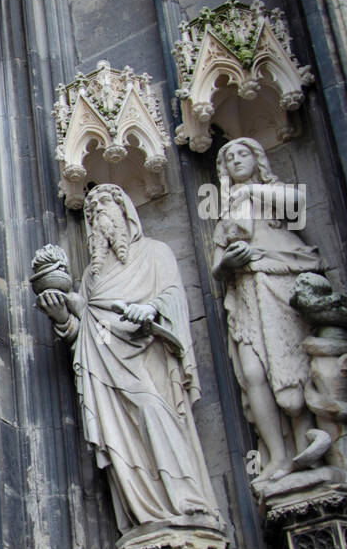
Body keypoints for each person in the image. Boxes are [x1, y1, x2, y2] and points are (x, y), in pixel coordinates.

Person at [37, 184, 221, 530]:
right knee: (120, 439)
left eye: (104, 204)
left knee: (153, 411)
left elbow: (173, 296)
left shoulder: (155, 253)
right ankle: (145, 513)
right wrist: (63, 318)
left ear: (125, 212)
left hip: (149, 355)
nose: (97, 214)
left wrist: (149, 309)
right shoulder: (90, 279)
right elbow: (88, 336)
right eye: (90, 211)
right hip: (107, 373)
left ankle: (185, 501)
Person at [210, 137, 327, 486]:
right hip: (246, 293)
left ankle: (308, 445)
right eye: (229, 158)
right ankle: (277, 455)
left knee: (291, 365)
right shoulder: (227, 215)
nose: (236, 161)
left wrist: (250, 191)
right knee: (252, 372)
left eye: (243, 154)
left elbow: (298, 205)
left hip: (281, 284)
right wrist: (229, 263)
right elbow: (217, 267)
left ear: (258, 158)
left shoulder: (270, 195)